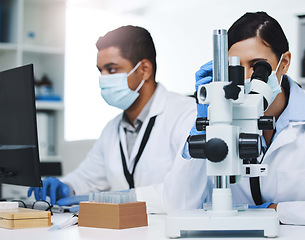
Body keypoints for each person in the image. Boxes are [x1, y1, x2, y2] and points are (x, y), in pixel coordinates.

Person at [165, 12, 305, 227]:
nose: (247, 78)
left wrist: (276, 211)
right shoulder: (221, 120)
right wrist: (202, 130)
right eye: (237, 69)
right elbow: (178, 206)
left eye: (257, 66)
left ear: (284, 63)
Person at [28, 25, 196, 212]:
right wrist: (65, 186)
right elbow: (87, 178)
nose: (103, 78)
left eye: (112, 69)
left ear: (145, 70)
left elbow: (185, 192)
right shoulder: (112, 128)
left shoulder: (186, 115)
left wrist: (118, 199)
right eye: (100, 70)